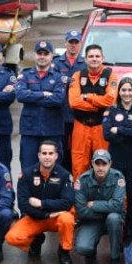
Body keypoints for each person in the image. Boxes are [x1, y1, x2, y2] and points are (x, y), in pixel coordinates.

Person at [5, 141, 76, 264]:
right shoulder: (26, 174)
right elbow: (23, 205)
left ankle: (64, 251)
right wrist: (46, 214)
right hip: (36, 217)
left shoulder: (65, 175)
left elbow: (67, 202)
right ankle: (36, 239)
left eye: (50, 153)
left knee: (67, 219)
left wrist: (42, 204)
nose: (47, 157)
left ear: (56, 156)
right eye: (44, 153)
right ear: (38, 155)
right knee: (12, 237)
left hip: (57, 217)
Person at [102, 77, 132, 232]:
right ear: (119, 91)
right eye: (123, 90)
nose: (127, 93)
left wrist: (120, 129)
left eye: (130, 90)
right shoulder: (111, 110)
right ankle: (113, 228)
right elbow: (108, 134)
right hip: (116, 156)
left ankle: (131, 231)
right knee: (114, 193)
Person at [68, 44, 117, 180]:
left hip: (101, 126)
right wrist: (97, 105)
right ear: (85, 59)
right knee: (78, 166)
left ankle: (103, 200)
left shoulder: (110, 76)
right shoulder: (78, 76)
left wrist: (88, 97)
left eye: (97, 56)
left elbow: (110, 101)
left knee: (103, 165)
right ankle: (79, 200)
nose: (94, 59)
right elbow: (73, 102)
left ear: (103, 58)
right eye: (91, 56)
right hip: (81, 126)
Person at [16, 40, 67, 169]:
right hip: (30, 131)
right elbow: (21, 95)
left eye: (46, 53)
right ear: (34, 55)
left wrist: (32, 96)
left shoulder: (59, 77)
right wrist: (43, 94)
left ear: (51, 56)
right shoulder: (25, 74)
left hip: (52, 130)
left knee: (54, 170)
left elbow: (58, 99)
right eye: (39, 53)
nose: (42, 57)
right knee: (28, 169)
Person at [74, 149, 126, 264]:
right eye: (97, 163)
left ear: (110, 164)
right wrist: (106, 209)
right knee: (83, 248)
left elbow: (118, 205)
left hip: (111, 219)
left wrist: (93, 204)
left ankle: (115, 257)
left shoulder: (118, 177)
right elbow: (81, 210)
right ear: (92, 163)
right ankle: (91, 248)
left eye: (104, 164)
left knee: (114, 218)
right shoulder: (82, 180)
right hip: (91, 221)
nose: (100, 167)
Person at [53, 29, 85, 173]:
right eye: (70, 42)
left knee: (78, 151)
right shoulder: (56, 63)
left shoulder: (85, 64)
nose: (73, 45)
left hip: (79, 115)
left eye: (76, 42)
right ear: (65, 42)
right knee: (61, 149)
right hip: (59, 115)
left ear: (80, 44)